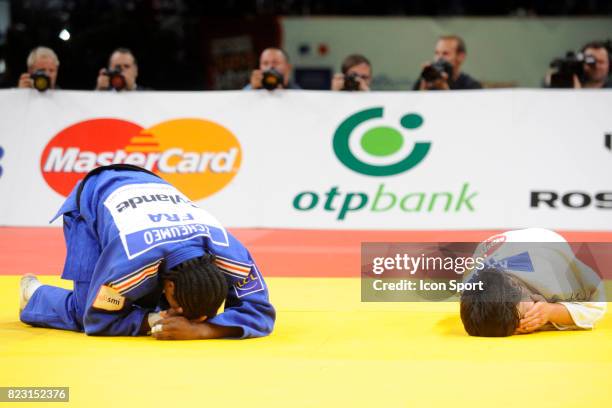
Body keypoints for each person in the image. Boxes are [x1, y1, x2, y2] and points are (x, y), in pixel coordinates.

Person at [19, 164, 275, 340]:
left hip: (151, 185)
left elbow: (261, 311)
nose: (188, 320)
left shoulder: (233, 257)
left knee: (148, 300)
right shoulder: (129, 266)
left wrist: (204, 330)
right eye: (183, 311)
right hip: (94, 195)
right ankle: (34, 294)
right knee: (81, 311)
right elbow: (97, 320)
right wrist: (154, 319)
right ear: (171, 287)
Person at [460, 228, 606, 337]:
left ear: (520, 287)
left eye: (525, 316)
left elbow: (598, 305)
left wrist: (553, 312)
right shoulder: (471, 284)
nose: (527, 321)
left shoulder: (553, 271)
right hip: (495, 246)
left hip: (545, 241)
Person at [413, 35, 482, 91]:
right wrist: (423, 89)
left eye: (445, 53)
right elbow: (412, 105)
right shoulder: (425, 80)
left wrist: (444, 89)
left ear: (461, 57)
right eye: (436, 53)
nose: (439, 58)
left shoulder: (472, 87)